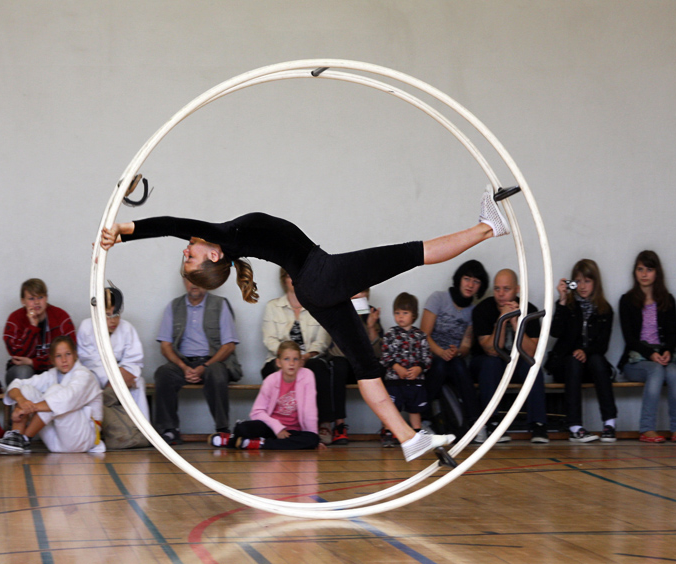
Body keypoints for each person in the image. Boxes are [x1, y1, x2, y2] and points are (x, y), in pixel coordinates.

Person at [102, 186, 509, 462]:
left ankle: (408, 439)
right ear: (211, 257)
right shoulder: (221, 237)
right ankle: (490, 227)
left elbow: (175, 227)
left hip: (314, 287)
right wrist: (122, 232)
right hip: (321, 276)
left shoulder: (228, 237)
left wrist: (124, 233)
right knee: (413, 253)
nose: (188, 248)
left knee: (366, 366)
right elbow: (172, 224)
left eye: (187, 253)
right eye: (189, 254)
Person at [152, 277, 242, 445]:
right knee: (163, 374)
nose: (194, 284)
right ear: (184, 282)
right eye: (190, 280)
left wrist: (205, 366)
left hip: (212, 361)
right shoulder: (174, 306)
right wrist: (183, 366)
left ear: (208, 282)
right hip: (183, 362)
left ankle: (222, 430)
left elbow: (229, 346)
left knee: (216, 373)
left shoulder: (220, 304)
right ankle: (170, 430)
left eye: (198, 280)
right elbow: (165, 346)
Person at [261, 268, 342, 444]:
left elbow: (322, 340)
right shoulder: (273, 307)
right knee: (270, 371)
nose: (295, 281)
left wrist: (304, 357)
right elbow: (269, 339)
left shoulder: (318, 306)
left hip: (308, 359)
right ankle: (276, 425)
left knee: (319, 368)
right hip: (280, 360)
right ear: (284, 280)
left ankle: (324, 424)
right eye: (291, 276)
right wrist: (288, 359)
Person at [0, 337, 104, 454]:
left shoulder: (84, 375)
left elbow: (66, 399)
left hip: (82, 439)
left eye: (68, 354)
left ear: (75, 355)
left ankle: (24, 439)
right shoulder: (52, 375)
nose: (64, 360)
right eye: (58, 356)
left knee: (55, 392)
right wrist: (21, 401)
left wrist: (29, 408)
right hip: (56, 442)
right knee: (26, 390)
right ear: (52, 360)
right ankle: (16, 439)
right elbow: (17, 384)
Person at [470, 268, 548, 444]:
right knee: (492, 363)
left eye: (506, 289)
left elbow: (532, 352)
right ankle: (493, 423)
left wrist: (515, 322)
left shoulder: (530, 309)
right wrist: (502, 320)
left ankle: (538, 424)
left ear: (517, 289)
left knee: (532, 367)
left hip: (517, 362)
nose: (501, 294)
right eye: (497, 289)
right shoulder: (482, 309)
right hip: (486, 362)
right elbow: (490, 349)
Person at [547, 259, 617, 442]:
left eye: (587, 281)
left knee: (598, 360)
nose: (582, 286)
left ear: (596, 283)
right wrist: (562, 301)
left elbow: (603, 345)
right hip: (567, 366)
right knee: (573, 361)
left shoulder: (605, 309)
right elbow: (555, 332)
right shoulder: (568, 306)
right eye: (578, 281)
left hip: (592, 366)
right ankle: (575, 426)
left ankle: (610, 424)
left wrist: (585, 351)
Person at [618, 251, 676, 443]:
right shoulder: (627, 301)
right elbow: (630, 339)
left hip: (662, 356)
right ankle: (647, 429)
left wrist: (666, 352)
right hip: (636, 360)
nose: (644, 274)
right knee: (656, 371)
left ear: (657, 273)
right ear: (634, 272)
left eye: (649, 269)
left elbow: (673, 335)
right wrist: (651, 354)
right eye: (640, 269)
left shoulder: (668, 300)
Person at [209, 341, 322, 450]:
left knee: (312, 439)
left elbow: (310, 411)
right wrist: (277, 428)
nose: (291, 363)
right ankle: (233, 439)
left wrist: (315, 437)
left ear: (301, 362)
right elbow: (257, 412)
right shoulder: (271, 380)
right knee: (243, 428)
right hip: (271, 428)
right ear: (279, 362)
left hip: (293, 431)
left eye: (295, 359)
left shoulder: (307, 376)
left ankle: (260, 444)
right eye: (286, 359)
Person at [420, 260, 488, 441]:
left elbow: (466, 346)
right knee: (441, 364)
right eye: (467, 279)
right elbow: (423, 335)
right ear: (459, 280)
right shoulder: (438, 298)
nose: (470, 285)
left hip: (454, 359)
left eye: (476, 282)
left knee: (457, 363)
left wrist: (456, 352)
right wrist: (441, 352)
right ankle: (423, 421)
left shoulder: (473, 311)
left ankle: (476, 424)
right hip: (432, 358)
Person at [322, 289, 385, 445]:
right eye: (353, 292)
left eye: (361, 292)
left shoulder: (371, 313)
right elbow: (333, 349)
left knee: (383, 368)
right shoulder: (336, 311)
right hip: (344, 364)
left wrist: (370, 327)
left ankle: (388, 426)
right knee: (339, 366)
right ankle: (339, 426)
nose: (357, 295)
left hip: (363, 366)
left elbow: (378, 353)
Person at [77, 284, 149, 420]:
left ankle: (142, 430)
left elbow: (134, 359)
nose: (113, 321)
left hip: (122, 375)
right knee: (87, 382)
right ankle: (93, 432)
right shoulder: (86, 327)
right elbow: (89, 361)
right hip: (97, 376)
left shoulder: (127, 328)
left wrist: (123, 375)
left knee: (138, 383)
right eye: (108, 315)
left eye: (116, 315)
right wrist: (114, 378)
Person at [380, 293, 431, 447]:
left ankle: (417, 434)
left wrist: (418, 369)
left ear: (414, 314)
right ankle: (388, 434)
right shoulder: (390, 334)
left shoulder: (420, 336)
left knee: (414, 409)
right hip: (394, 381)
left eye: (405, 313)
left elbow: (427, 357)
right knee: (391, 409)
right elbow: (384, 356)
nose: (400, 317)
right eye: (397, 313)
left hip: (415, 381)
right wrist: (397, 368)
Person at [3, 278, 76, 385]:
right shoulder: (15, 318)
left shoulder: (61, 316)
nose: (36, 302)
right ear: (23, 301)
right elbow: (17, 355)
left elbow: (71, 352)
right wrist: (33, 326)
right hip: (22, 371)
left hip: (54, 368)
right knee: (24, 371)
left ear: (46, 298)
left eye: (40, 297)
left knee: (73, 373)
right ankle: (25, 402)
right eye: (31, 298)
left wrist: (33, 362)